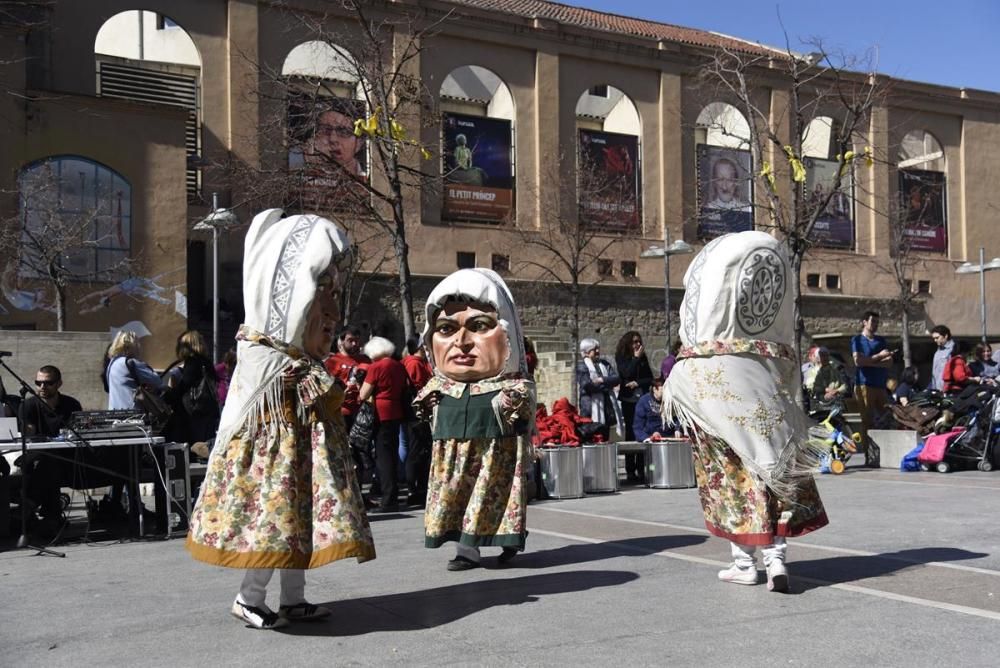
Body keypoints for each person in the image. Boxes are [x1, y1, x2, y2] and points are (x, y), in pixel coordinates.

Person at [186, 209, 375, 630]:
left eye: (334, 289)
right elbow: (255, 406)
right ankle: (248, 597)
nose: (331, 307)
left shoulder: (294, 357)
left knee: (297, 518)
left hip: (298, 451)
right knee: (275, 520)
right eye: (322, 286)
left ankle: (294, 599)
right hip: (273, 459)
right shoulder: (265, 352)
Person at [663, 231, 828, 593]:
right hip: (765, 390)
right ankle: (776, 560)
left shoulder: (709, 348)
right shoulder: (772, 349)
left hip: (716, 395)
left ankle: (744, 564)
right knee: (773, 477)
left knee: (733, 482)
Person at [414, 268, 534, 571]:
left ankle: (506, 540)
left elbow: (522, 415)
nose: (462, 342)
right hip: (453, 459)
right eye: (445, 329)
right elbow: (422, 413)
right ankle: (467, 550)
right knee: (459, 496)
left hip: (495, 454)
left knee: (494, 494)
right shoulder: (437, 387)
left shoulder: (511, 387)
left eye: (479, 326)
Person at [18, 365, 82, 524]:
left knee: (51, 461)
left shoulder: (71, 404)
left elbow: (77, 433)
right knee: (49, 461)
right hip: (37, 456)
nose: (42, 387)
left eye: (48, 383)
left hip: (67, 457)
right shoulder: (28, 405)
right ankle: (50, 515)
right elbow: (29, 435)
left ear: (59, 383)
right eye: (38, 383)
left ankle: (30, 507)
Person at [358, 336, 409, 512]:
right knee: (393, 454)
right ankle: (392, 494)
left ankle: (388, 498)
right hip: (397, 411)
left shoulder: (376, 367)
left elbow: (363, 394)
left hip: (381, 412)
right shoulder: (398, 365)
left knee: (383, 456)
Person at [162, 330, 220, 446]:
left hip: (195, 413)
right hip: (208, 410)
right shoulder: (207, 362)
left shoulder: (193, 362)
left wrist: (167, 397)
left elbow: (184, 385)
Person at [851, 311, 892, 467]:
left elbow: (889, 363)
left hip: (880, 385)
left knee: (886, 418)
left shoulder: (881, 341)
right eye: (873, 321)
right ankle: (870, 457)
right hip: (864, 385)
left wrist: (871, 361)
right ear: (864, 322)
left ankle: (886, 454)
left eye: (877, 322)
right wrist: (878, 357)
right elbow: (858, 361)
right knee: (867, 421)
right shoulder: (857, 340)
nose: (875, 325)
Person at [615, 331, 653, 481]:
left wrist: (638, 383)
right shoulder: (621, 357)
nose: (637, 344)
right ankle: (630, 469)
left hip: (641, 398)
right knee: (631, 432)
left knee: (643, 432)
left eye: (639, 341)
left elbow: (649, 377)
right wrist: (636, 358)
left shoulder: (642, 358)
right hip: (629, 400)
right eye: (634, 342)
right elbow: (626, 373)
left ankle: (641, 468)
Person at [401, 336, 433, 506]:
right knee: (416, 450)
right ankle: (413, 489)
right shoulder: (414, 363)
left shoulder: (417, 362)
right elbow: (420, 386)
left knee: (420, 450)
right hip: (416, 413)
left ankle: (419, 487)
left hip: (419, 413)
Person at [325, 326, 371, 432]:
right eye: (350, 340)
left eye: (357, 340)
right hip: (340, 412)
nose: (354, 344)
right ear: (341, 341)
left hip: (363, 413)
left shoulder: (366, 360)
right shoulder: (332, 362)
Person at [575, 338, 622, 440]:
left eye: (598, 348)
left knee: (605, 438)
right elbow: (588, 386)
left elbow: (616, 379)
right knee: (591, 438)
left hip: (607, 408)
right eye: (594, 349)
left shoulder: (605, 364)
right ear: (587, 352)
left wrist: (602, 380)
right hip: (589, 410)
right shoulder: (582, 366)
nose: (597, 351)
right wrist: (607, 385)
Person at [302, 102, 364, 176]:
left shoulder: (370, 176)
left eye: (343, 131)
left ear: (359, 143)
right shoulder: (299, 171)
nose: (332, 139)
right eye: (326, 130)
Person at [809, 347, 851, 412]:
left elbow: (845, 386)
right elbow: (811, 387)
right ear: (817, 358)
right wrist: (826, 390)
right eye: (822, 355)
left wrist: (836, 391)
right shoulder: (812, 372)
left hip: (835, 404)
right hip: (819, 406)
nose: (825, 358)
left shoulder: (836, 371)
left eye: (826, 355)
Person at [633, 377, 670, 442]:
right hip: (648, 439)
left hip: (667, 438)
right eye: (663, 390)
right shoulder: (643, 402)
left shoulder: (669, 402)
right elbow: (638, 427)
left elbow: (675, 419)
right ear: (655, 389)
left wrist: (677, 429)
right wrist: (648, 438)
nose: (665, 393)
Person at [930, 325, 954, 392]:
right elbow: (934, 374)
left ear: (945, 336)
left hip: (950, 390)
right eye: (934, 338)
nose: (935, 340)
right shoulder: (937, 353)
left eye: (937, 338)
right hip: (937, 390)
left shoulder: (954, 349)